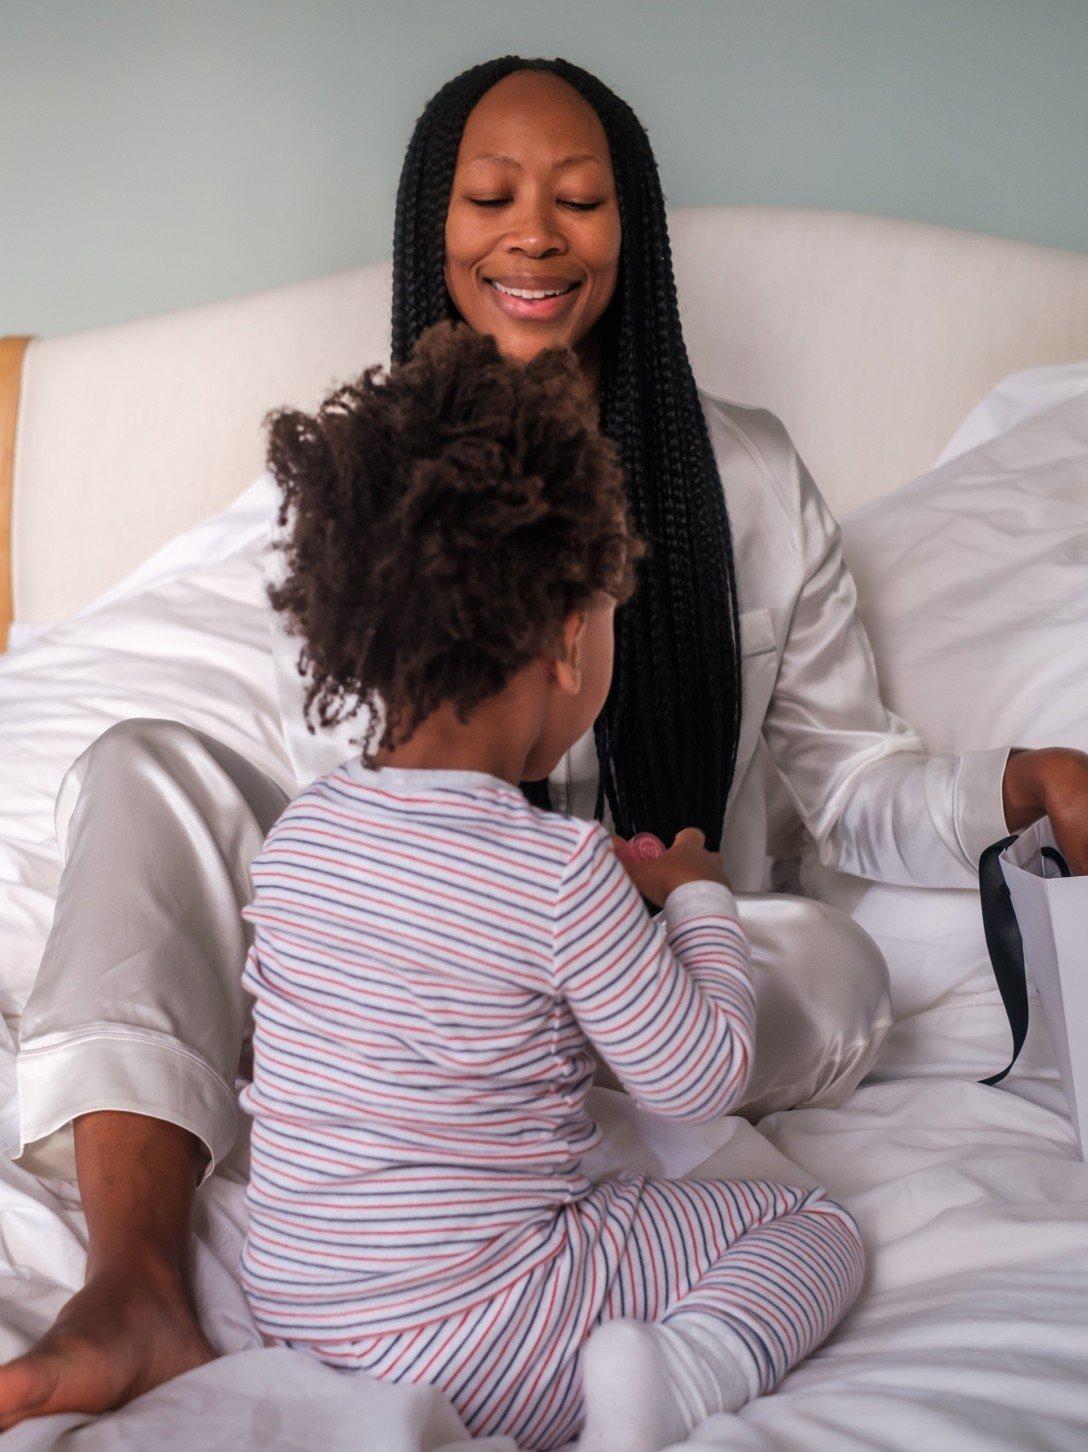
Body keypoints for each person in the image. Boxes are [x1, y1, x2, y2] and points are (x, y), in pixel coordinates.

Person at [1, 54, 1085, 1429]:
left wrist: (1015, 784)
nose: (532, 233)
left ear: (629, 231)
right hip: (420, 973)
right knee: (139, 764)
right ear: (430, 228)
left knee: (835, 955)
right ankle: (135, 1279)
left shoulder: (745, 478)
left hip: (662, 961)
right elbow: (331, 773)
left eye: (577, 198)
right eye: (491, 196)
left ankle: (514, 1131)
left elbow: (844, 777)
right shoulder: (364, 486)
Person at [240, 315, 864, 1452]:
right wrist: (695, 894)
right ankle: (672, 1379)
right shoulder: (557, 873)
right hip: (486, 1341)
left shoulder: (301, 840)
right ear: (569, 645)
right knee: (808, 1226)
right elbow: (697, 1078)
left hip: (295, 1311)